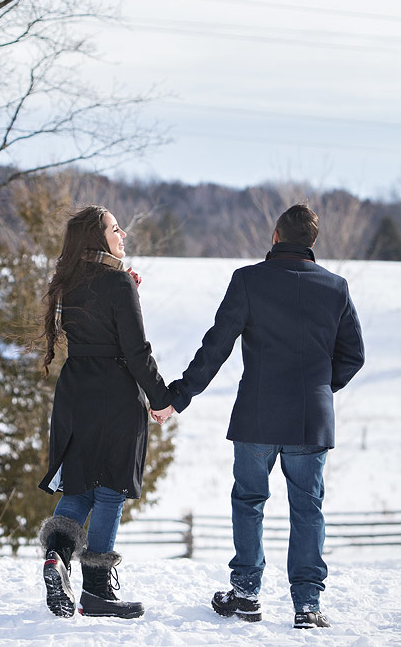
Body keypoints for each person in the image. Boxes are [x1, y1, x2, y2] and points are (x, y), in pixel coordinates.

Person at [154, 203, 365, 630]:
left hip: (257, 415)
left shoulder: (248, 280)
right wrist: (320, 389)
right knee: (308, 508)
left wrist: (179, 396)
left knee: (249, 502)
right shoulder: (336, 287)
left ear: (274, 236)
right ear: (312, 242)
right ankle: (307, 605)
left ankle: (246, 594)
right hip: (311, 417)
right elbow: (354, 356)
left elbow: (216, 346)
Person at [37, 204, 175, 620]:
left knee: (78, 487)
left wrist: (125, 285)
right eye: (116, 229)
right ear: (99, 238)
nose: (123, 235)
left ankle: (56, 558)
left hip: (76, 391)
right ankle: (96, 590)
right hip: (115, 395)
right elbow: (135, 350)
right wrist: (160, 396)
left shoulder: (68, 283)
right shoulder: (118, 283)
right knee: (111, 490)